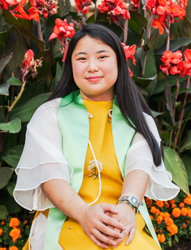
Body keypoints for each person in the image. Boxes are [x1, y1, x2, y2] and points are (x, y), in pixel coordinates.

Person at [14, 24, 180, 250]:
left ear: (120, 62)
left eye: (102, 57)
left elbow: (138, 168)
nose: (92, 67)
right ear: (70, 65)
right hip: (69, 217)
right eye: (81, 59)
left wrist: (127, 208)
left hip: (123, 216)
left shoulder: (138, 119)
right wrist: (84, 214)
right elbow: (50, 176)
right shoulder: (49, 115)